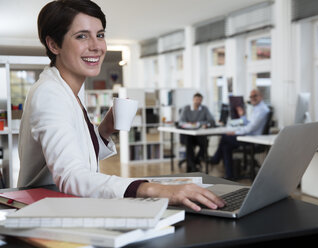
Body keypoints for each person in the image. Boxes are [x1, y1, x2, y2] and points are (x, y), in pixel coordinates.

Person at [17, 0, 224, 212]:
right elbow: (70, 176)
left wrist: (104, 131)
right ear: (54, 45)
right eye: (81, 36)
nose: (96, 46)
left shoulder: (70, 89)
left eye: (100, 34)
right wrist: (153, 189)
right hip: (47, 215)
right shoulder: (50, 93)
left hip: (67, 206)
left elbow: (75, 157)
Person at [210, 89, 270, 179]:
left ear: (261, 97)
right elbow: (249, 124)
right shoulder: (257, 108)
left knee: (225, 137)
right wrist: (242, 115)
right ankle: (229, 175)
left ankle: (215, 159)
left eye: (255, 96)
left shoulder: (262, 110)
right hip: (249, 137)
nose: (252, 98)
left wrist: (235, 132)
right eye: (251, 96)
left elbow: (250, 128)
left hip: (253, 140)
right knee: (226, 147)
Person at [179, 93, 215, 172]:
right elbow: (181, 122)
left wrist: (199, 123)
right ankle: (192, 166)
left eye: (200, 100)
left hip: (199, 135)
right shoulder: (186, 108)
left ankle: (196, 161)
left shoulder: (204, 109)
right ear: (193, 100)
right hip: (188, 135)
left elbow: (211, 121)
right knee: (189, 143)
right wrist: (189, 124)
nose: (198, 102)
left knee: (205, 142)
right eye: (196, 99)